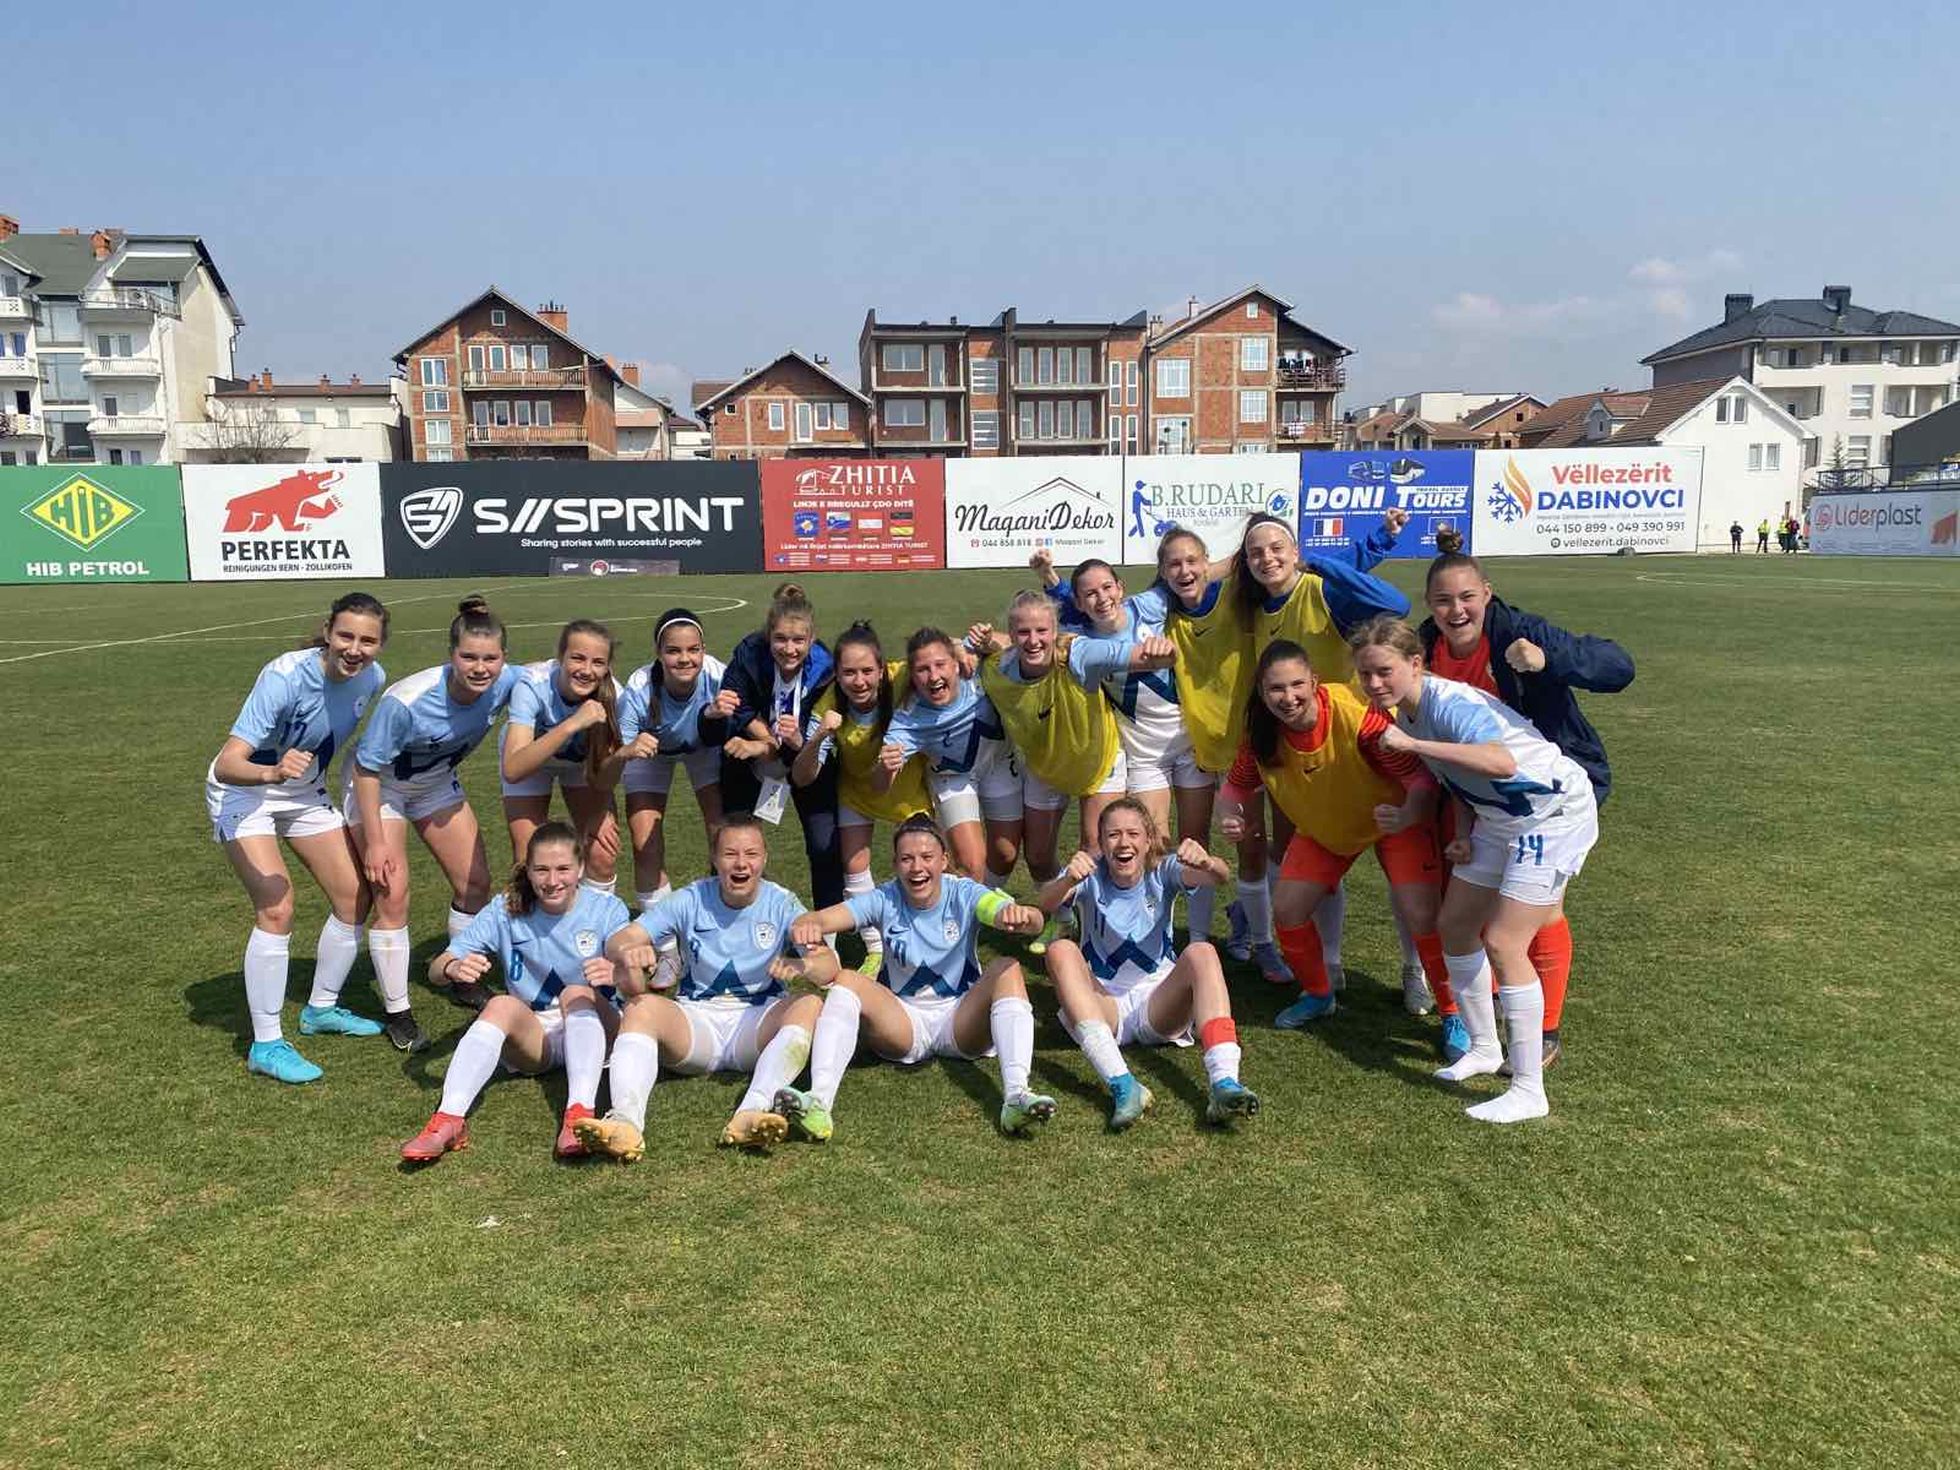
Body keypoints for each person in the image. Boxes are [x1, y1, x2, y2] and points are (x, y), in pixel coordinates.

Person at [1352, 617, 1600, 1124]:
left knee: (1505, 942)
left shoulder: (1449, 704)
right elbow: (1458, 777)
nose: (1374, 683)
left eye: (1384, 671)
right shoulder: (1407, 712)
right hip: (1499, 819)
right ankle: (1485, 1046)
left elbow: (1500, 763)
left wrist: (1415, 747)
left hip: (1551, 813)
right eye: (1365, 674)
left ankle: (1529, 1089)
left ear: (1415, 664)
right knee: (1456, 926)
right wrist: (1464, 830)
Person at [1420, 552, 1633, 1066]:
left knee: (1538, 911)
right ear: (1428, 604)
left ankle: (1544, 1030)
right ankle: (1491, 1011)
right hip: (1481, 797)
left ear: (1487, 594)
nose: (1457, 610)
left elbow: (1618, 666)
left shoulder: (1519, 632)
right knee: (1469, 905)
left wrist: (1548, 660)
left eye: (1467, 597)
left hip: (1550, 795)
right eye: (1444, 600)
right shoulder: (1425, 646)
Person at [1215, 639, 1451, 1030]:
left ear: (1315, 681)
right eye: (1276, 688)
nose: (1288, 697)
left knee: (1422, 913)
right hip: (1328, 827)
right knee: (1288, 910)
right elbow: (1235, 788)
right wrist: (1229, 816)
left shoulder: (1358, 716)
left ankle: (1453, 1011)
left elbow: (1419, 779)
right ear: (1262, 692)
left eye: (1297, 685)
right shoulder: (1261, 731)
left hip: (1393, 820)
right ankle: (1318, 994)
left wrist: (1407, 814)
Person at [205, 591, 390, 1084]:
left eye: (368, 641)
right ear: (328, 633)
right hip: (245, 790)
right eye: (346, 636)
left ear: (380, 645)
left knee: (355, 895)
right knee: (277, 905)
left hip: (303, 792)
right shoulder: (283, 676)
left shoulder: (373, 678)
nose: (355, 649)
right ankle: (266, 1045)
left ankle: (321, 1009)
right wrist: (271, 773)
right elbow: (228, 763)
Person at [1228, 511, 1415, 1000]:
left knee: (1404, 872)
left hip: (1364, 744)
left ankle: (1415, 969)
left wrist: (1323, 564)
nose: (1267, 559)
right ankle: (1330, 967)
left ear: (1296, 552)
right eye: (1255, 553)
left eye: (1277, 549)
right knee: (1321, 865)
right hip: (1303, 754)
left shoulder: (1321, 589)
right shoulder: (1256, 608)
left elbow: (1396, 604)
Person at [575, 815, 841, 1157]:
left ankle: (752, 1111)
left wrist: (804, 964)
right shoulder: (691, 898)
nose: (741, 863)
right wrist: (630, 951)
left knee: (809, 1004)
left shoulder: (783, 903)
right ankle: (625, 1122)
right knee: (640, 1008)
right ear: (715, 858)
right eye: (730, 854)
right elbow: (620, 940)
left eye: (751, 854)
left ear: (764, 859)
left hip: (757, 1026)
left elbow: (830, 967)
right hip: (696, 1025)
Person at [779, 815, 1056, 1136]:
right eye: (907, 859)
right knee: (847, 980)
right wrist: (808, 924)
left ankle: (1016, 1096)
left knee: (1008, 967)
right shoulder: (885, 897)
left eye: (927, 857)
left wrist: (1024, 917)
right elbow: (823, 919)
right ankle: (818, 1101)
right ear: (895, 864)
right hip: (903, 1024)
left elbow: (1025, 919)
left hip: (961, 1020)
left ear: (944, 861)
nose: (917, 867)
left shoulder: (964, 892)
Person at [399, 822, 633, 1161]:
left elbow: (635, 972)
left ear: (581, 868)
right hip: (536, 1038)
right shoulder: (506, 908)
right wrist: (452, 969)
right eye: (541, 870)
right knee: (500, 1005)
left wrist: (620, 970)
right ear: (528, 870)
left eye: (563, 869)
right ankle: (448, 1120)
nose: (552, 881)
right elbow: (437, 968)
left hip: (598, 1025)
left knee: (575, 993)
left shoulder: (606, 909)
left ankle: (579, 1117)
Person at [345, 596, 519, 1044]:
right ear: (451, 655)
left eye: (490, 658)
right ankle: (398, 1011)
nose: (480, 668)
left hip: (435, 783)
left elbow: (560, 674)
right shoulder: (406, 702)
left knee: (475, 883)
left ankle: (462, 976)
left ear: (504, 657)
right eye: (469, 657)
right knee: (392, 893)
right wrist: (376, 842)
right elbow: (366, 770)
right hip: (380, 786)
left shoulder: (508, 681)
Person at [1036, 799, 1258, 1129]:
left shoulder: (1163, 869)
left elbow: (1220, 876)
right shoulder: (1089, 872)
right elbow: (1044, 903)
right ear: (1101, 843)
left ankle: (1224, 1082)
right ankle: (1124, 1085)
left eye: (1133, 834)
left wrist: (1207, 862)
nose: (1123, 843)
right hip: (1104, 1005)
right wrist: (1067, 880)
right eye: (1113, 835)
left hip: (1159, 1003)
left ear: (1148, 840)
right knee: (1060, 950)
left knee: (1203, 952)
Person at [966, 590, 1143, 938]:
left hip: (1098, 759)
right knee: (1038, 856)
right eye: (1023, 632)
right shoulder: (996, 670)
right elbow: (956, 651)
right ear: (1011, 635)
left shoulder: (1076, 654)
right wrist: (968, 646)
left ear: (1055, 631)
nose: (1033, 640)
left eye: (1042, 631)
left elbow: (1127, 653)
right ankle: (1063, 919)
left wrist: (1158, 653)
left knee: (1095, 848)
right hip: (1045, 766)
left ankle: (1099, 934)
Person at [791, 620, 931, 977]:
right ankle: (877, 948)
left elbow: (938, 655)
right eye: (849, 673)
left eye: (867, 671)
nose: (859, 681)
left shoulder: (901, 677)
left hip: (906, 792)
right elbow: (802, 777)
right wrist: (818, 737)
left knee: (921, 865)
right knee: (854, 871)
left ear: (882, 669)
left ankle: (923, 939)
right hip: (857, 792)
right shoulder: (828, 704)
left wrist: (966, 651)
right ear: (837, 675)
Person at [609, 608, 728, 977]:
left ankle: (720, 930)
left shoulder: (718, 676)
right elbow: (619, 751)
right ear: (659, 653)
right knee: (644, 842)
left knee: (723, 836)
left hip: (704, 749)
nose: (685, 658)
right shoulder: (641, 687)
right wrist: (630, 749)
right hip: (651, 752)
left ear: (704, 650)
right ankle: (667, 950)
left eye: (693, 649)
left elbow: (744, 723)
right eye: (674, 651)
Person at [716, 583, 845, 909]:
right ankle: (733, 916)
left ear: (812, 639)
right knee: (735, 842)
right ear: (767, 636)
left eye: (799, 640)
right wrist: (766, 741)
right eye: (781, 639)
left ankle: (828, 927)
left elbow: (819, 726)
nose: (789, 649)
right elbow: (736, 702)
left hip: (807, 757)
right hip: (747, 758)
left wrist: (788, 743)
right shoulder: (749, 653)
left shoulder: (825, 667)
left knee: (824, 844)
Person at [873, 627, 1023, 887]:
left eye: (940, 665)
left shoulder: (973, 663)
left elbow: (1014, 645)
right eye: (922, 670)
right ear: (912, 676)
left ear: (955, 663)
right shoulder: (908, 719)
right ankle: (967, 905)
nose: (933, 677)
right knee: (972, 865)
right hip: (953, 778)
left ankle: (982, 899)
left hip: (999, 764)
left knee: (1005, 855)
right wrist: (885, 768)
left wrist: (986, 641)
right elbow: (879, 787)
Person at [500, 619, 624, 898]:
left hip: (580, 766)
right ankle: (535, 925)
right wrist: (572, 724)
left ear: (608, 667)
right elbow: (513, 769)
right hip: (530, 762)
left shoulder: (616, 696)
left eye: (598, 662)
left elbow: (605, 771)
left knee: (602, 853)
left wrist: (602, 807)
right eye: (577, 658)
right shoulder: (532, 685)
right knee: (529, 861)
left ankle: (594, 922)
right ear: (560, 657)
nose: (586, 670)